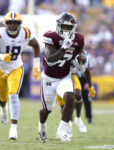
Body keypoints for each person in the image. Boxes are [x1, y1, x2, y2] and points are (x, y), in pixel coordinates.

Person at [0, 11, 40, 140]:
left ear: (20, 24)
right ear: (6, 24)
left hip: (16, 68)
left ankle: (13, 128)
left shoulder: (25, 33)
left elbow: (36, 45)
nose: (13, 25)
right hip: (0, 69)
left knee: (13, 95)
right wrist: (0, 56)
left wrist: (36, 65)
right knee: (2, 98)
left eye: (16, 23)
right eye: (11, 23)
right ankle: (3, 109)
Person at [38, 12, 87, 143]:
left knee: (70, 97)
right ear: (59, 26)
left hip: (64, 77)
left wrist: (82, 59)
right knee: (46, 110)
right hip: (49, 79)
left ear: (74, 28)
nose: (66, 30)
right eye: (64, 27)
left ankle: (62, 130)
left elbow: (80, 52)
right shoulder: (51, 37)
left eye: (69, 27)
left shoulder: (78, 39)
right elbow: (50, 59)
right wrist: (64, 47)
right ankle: (42, 125)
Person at [56, 50, 96, 137]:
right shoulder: (61, 49)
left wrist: (89, 85)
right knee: (63, 104)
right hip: (58, 78)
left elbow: (87, 70)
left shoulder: (82, 54)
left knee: (79, 95)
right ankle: (68, 123)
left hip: (73, 76)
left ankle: (78, 118)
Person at [78, 53, 95, 124]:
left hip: (84, 78)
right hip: (75, 77)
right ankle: (70, 118)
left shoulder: (87, 55)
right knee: (72, 98)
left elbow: (91, 69)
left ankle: (89, 117)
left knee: (87, 99)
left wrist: (88, 82)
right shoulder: (73, 52)